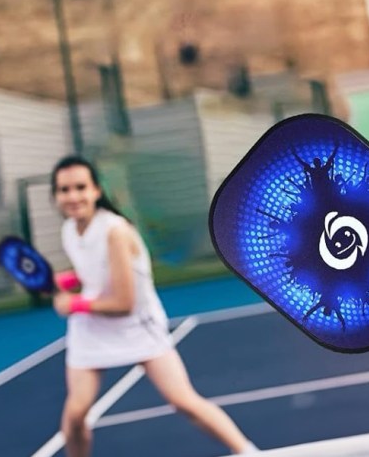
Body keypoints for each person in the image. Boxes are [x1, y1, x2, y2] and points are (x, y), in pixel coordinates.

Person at [50, 156, 259, 456]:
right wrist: (69, 281)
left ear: (96, 190)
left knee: (184, 401)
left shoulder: (115, 231)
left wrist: (75, 303)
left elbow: (124, 302)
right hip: (93, 328)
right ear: (56, 196)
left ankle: (249, 452)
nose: (73, 196)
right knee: (74, 416)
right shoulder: (70, 230)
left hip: (137, 324)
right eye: (64, 190)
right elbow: (94, 271)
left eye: (80, 187)